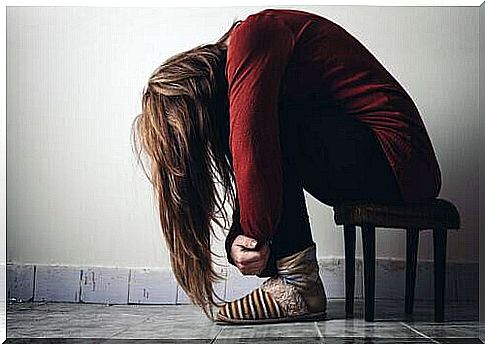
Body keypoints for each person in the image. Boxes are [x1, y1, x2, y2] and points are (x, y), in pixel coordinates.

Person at [131, 8, 442, 324]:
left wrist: (253, 235)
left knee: (266, 126)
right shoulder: (247, 51)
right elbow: (250, 160)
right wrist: (241, 241)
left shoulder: (253, 36)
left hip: (401, 161)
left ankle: (299, 286)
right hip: (389, 166)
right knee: (259, 129)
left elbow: (254, 148)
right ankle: (296, 281)